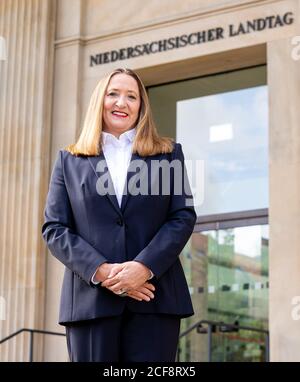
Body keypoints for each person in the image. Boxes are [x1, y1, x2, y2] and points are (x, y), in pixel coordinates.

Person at [42, 68, 197, 362]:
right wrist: (102, 271)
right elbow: (55, 228)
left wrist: (143, 267)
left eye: (131, 96)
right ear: (100, 100)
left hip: (154, 297)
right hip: (91, 303)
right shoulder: (69, 160)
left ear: (141, 106)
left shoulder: (168, 154)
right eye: (113, 94)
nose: (121, 103)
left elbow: (182, 217)